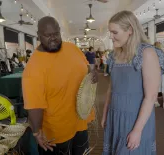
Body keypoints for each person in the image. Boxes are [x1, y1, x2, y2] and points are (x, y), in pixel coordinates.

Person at [22, 16, 98, 155]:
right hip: (56, 134)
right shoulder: (33, 68)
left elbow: (86, 68)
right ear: (38, 35)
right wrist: (37, 133)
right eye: (47, 35)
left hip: (80, 122)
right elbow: (34, 107)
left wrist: (93, 72)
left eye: (56, 33)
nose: (53, 38)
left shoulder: (72, 48)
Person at [101, 11, 164, 155]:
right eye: (110, 32)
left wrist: (137, 130)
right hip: (115, 115)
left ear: (130, 30)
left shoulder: (147, 53)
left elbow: (151, 96)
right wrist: (105, 114)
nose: (111, 37)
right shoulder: (114, 55)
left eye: (114, 32)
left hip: (135, 117)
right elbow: (111, 88)